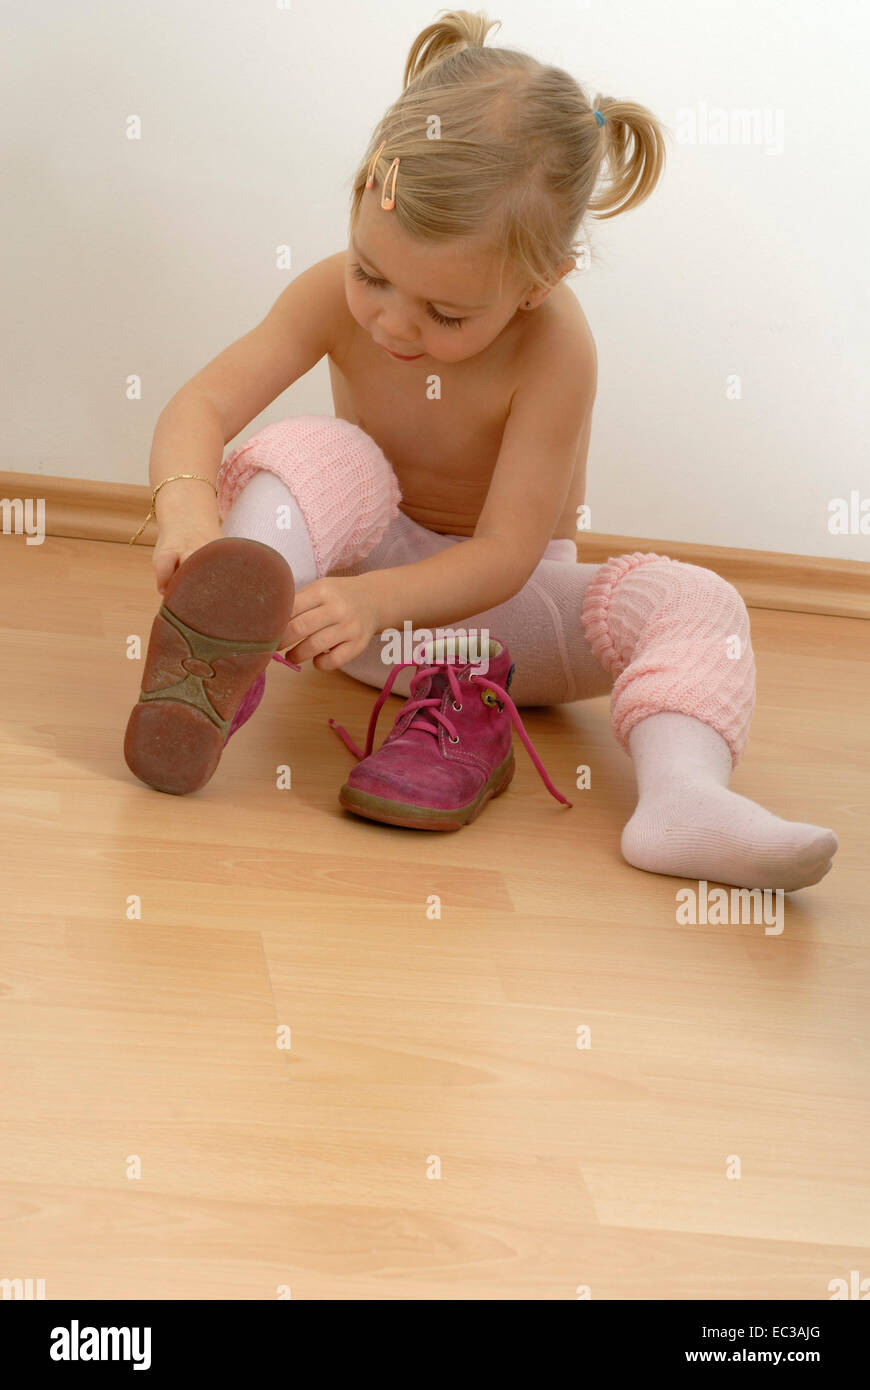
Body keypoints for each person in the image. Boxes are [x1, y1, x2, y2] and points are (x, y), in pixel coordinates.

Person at [124, 8, 837, 890]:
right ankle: (226, 647)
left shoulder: (556, 350)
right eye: (371, 274)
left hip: (484, 619)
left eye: (447, 314)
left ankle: (685, 800)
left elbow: (506, 551)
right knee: (316, 447)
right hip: (319, 612)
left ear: (539, 285)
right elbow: (202, 403)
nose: (391, 322)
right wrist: (190, 515)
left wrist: (378, 601)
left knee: (700, 602)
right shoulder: (326, 294)